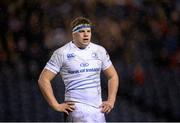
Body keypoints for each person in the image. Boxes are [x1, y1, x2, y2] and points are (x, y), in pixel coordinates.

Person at [38, 17, 119, 122]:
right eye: (81, 31)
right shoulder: (61, 53)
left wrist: (111, 101)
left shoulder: (99, 50)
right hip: (76, 111)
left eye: (88, 31)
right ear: (73, 34)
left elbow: (113, 76)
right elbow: (43, 79)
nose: (86, 34)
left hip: (98, 111)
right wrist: (55, 105)